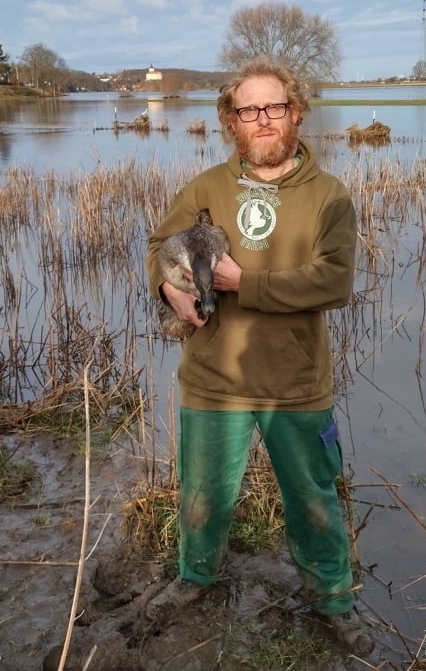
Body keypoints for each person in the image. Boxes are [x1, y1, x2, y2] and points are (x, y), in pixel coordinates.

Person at [143, 58, 373, 657]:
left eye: (275, 107)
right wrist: (167, 284)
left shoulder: (329, 196)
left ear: (296, 113)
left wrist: (243, 285)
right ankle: (195, 579)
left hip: (294, 384)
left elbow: (334, 283)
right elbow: (160, 247)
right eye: (249, 109)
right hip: (213, 379)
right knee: (201, 495)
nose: (263, 119)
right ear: (231, 121)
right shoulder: (205, 189)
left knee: (314, 499)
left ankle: (333, 601)